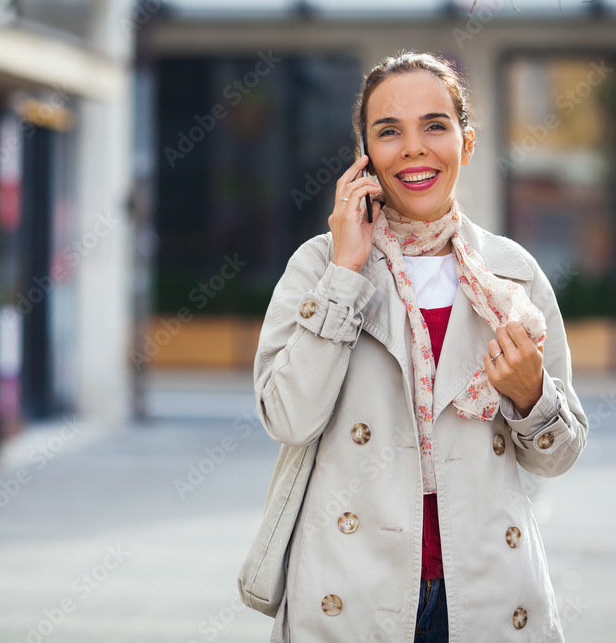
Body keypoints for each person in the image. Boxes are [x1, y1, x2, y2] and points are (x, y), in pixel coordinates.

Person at [252, 50, 589, 642]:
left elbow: (557, 457)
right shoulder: (319, 265)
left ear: (467, 142)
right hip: (351, 592)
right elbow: (287, 417)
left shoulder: (512, 273)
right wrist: (347, 273)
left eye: (435, 126)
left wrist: (531, 394)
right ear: (364, 157)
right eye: (389, 131)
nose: (413, 148)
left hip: (486, 593)